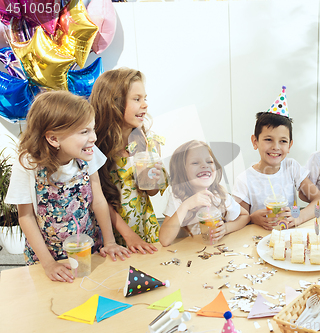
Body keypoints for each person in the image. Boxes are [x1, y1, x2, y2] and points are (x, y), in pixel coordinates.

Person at [5, 91, 130, 283]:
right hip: (47, 258)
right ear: (53, 139)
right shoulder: (27, 164)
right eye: (84, 132)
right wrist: (48, 263)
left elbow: (98, 200)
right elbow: (26, 217)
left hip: (89, 251)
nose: (94, 138)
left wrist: (110, 242)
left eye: (92, 129)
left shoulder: (89, 153)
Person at [91, 68, 167, 254]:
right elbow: (98, 198)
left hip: (144, 227)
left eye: (145, 98)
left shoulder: (149, 142)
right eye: (137, 99)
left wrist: (153, 178)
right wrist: (127, 235)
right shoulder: (95, 148)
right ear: (113, 103)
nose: (145, 105)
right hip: (111, 233)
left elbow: (151, 192)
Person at [232, 86, 320, 230]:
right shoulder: (244, 180)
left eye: (283, 141)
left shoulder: (291, 167)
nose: (276, 147)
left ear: (290, 145)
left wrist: (298, 217)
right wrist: (252, 218)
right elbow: (239, 219)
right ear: (255, 141)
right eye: (268, 139)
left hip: (288, 240)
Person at [160, 140, 250, 246]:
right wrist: (185, 206)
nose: (204, 165)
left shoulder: (219, 195)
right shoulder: (178, 198)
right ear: (181, 170)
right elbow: (164, 240)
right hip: (187, 254)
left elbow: (245, 216)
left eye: (209, 162)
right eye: (195, 163)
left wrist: (226, 228)